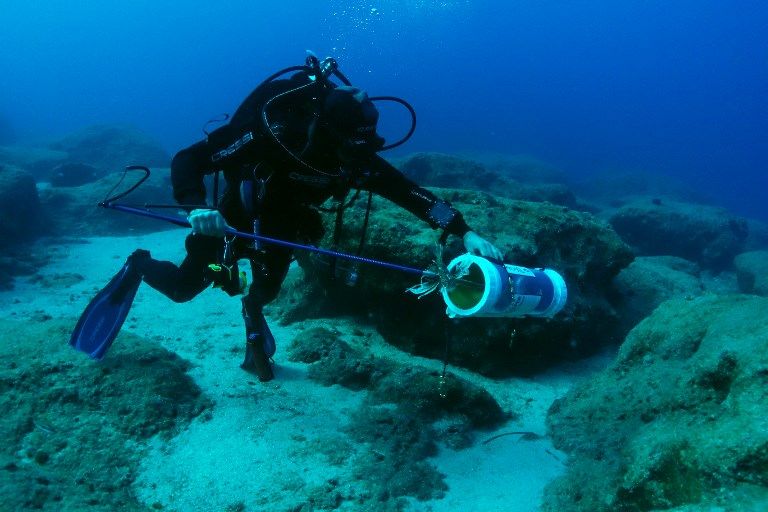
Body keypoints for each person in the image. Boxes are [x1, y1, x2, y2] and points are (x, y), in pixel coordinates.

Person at [125, 57, 502, 382]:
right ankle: (139, 263)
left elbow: (411, 195)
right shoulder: (271, 133)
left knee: (266, 292)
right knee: (182, 289)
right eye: (350, 144)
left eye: (364, 144)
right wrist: (195, 207)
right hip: (230, 216)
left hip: (284, 225)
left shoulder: (358, 157)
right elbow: (190, 159)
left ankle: (251, 312)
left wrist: (462, 229)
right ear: (325, 128)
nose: (357, 155)